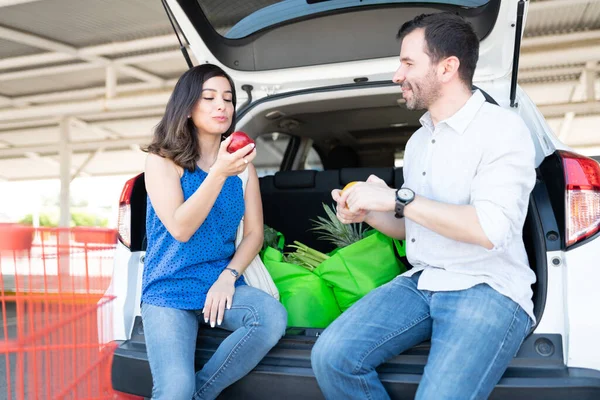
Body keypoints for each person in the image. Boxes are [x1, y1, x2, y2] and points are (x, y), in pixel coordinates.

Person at [311, 12, 536, 400]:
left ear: (448, 67)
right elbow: (411, 226)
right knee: (331, 357)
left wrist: (399, 198)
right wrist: (370, 212)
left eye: (408, 63)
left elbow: (488, 229)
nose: (397, 74)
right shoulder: (419, 141)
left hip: (487, 287)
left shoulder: (502, 130)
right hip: (423, 280)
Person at [141, 64, 287, 400]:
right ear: (188, 108)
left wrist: (228, 275)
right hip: (168, 288)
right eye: (209, 98)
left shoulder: (242, 165)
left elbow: (254, 233)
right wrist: (218, 173)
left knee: (270, 318)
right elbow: (180, 227)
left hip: (219, 283)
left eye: (228, 98)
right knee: (174, 389)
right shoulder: (162, 160)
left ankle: (202, 395)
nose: (222, 105)